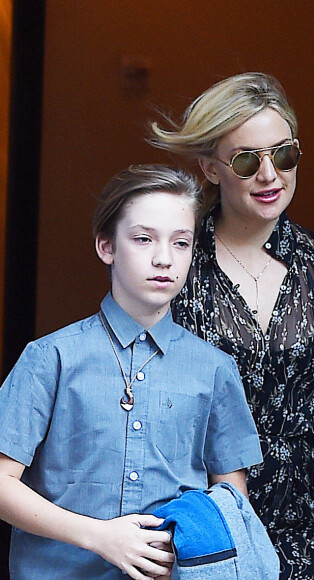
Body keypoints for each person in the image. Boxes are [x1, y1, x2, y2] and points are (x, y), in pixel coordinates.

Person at [0, 164, 263, 579]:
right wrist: (100, 536)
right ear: (107, 246)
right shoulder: (49, 357)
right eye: (143, 239)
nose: (164, 258)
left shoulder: (214, 368)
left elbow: (232, 498)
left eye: (181, 243)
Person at [150, 72, 314, 579]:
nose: (270, 174)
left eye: (283, 154)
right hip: (202, 524)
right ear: (211, 168)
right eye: (247, 159)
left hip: (303, 526)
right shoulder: (178, 260)